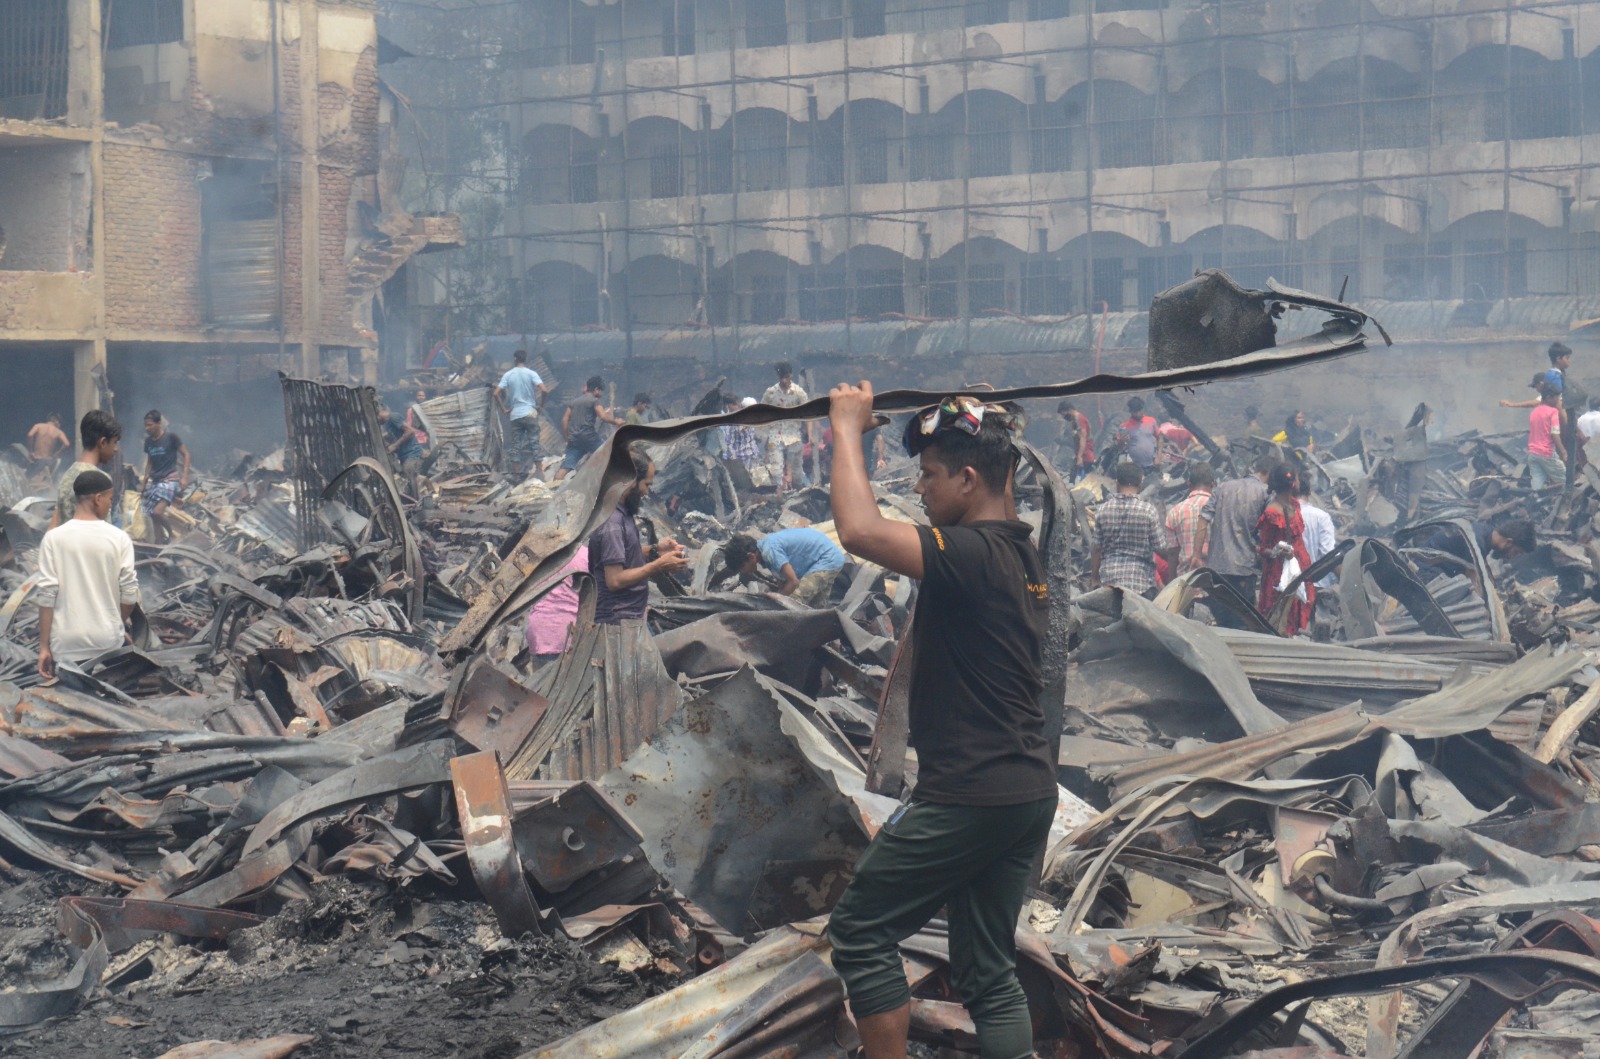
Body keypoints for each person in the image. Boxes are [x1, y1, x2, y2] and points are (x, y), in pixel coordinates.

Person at [824, 384, 1057, 1059]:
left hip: (972, 792)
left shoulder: (975, 553)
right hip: (1026, 792)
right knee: (989, 973)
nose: (921, 489)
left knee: (861, 928)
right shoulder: (1022, 558)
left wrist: (845, 429)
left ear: (968, 477)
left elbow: (859, 531)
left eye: (928, 476)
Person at [36, 469, 138, 680]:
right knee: (118, 704)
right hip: (107, 639)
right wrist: (114, 623)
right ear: (98, 499)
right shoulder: (118, 538)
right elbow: (129, 594)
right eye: (110, 498)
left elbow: (46, 596)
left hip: (66, 643)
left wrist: (44, 647)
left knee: (71, 704)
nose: (111, 504)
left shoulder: (53, 539)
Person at [587, 447, 689, 623]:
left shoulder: (623, 512)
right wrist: (658, 565)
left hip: (630, 616)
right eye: (646, 484)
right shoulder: (612, 523)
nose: (646, 492)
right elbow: (615, 580)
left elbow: (619, 554)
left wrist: (655, 550)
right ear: (631, 480)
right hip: (616, 622)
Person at [1198, 452, 1275, 617]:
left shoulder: (1224, 486)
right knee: (1241, 621)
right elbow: (1269, 530)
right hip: (1244, 568)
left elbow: (1203, 519)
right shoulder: (1266, 493)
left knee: (1220, 619)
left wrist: (1197, 554)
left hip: (1217, 567)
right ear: (1269, 474)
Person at [1090, 460, 1173, 596]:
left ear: (1117, 483)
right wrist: (1178, 560)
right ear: (1140, 483)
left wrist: (1094, 579)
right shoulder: (1148, 510)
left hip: (1110, 582)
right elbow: (1160, 548)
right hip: (1141, 583)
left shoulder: (1103, 510)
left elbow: (1096, 548)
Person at [1257, 463, 1314, 636]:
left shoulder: (1294, 505)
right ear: (1293, 484)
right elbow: (1264, 549)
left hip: (1299, 570)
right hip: (1280, 574)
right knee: (1279, 614)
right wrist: (1277, 552)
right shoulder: (1272, 512)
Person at [723, 528, 848, 606]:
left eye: (742, 568)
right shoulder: (763, 553)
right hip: (826, 558)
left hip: (826, 559)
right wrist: (779, 593)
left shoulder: (769, 551)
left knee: (795, 602)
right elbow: (782, 581)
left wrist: (777, 602)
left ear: (751, 557)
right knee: (815, 608)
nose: (744, 572)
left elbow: (793, 582)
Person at [52, 410, 122, 530]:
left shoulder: (67, 475)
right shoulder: (100, 480)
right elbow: (105, 531)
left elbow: (56, 521)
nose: (116, 449)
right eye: (114, 443)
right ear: (103, 442)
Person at [525, 544, 588, 666]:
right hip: (570, 634)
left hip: (540, 633)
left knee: (539, 684)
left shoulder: (541, 553)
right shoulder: (586, 555)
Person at [558, 376, 625, 481]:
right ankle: (615, 480)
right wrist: (616, 421)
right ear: (596, 389)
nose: (601, 394)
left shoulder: (574, 402)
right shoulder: (594, 401)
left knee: (567, 466)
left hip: (574, 439)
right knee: (609, 452)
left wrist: (567, 438)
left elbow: (564, 420)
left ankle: (551, 490)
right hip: (590, 437)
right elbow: (603, 416)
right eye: (601, 391)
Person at [139, 411, 191, 543]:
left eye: (150, 425)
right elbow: (150, 461)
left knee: (157, 512)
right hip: (156, 481)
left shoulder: (171, 438)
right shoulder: (149, 442)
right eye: (145, 425)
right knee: (151, 514)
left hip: (170, 480)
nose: (147, 428)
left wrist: (185, 476)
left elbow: (186, 454)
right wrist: (144, 483)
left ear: (158, 424)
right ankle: (159, 544)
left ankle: (172, 534)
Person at [496, 349, 548, 476]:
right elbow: (544, 390)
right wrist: (540, 406)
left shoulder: (508, 375)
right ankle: (539, 471)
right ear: (526, 359)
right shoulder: (531, 373)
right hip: (531, 412)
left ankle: (517, 474)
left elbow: (495, 393)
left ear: (514, 358)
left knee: (515, 445)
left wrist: (504, 409)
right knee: (534, 442)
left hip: (515, 415)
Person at [761, 361, 810, 492]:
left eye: (786, 377)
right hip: (775, 435)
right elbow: (762, 414)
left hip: (794, 435)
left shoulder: (799, 393)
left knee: (797, 471)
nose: (784, 380)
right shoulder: (770, 393)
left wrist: (809, 433)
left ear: (791, 375)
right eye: (781, 377)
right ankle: (780, 496)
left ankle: (800, 494)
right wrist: (764, 437)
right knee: (776, 470)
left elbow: (808, 415)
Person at [1164, 462, 1215, 575]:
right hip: (1215, 581)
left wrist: (1172, 585)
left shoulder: (1175, 512)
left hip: (1186, 579)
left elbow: (1173, 554)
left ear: (1189, 484)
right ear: (1213, 484)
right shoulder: (1220, 508)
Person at [1526, 379, 1567, 490]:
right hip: (1547, 453)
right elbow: (1554, 433)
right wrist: (1563, 452)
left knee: (1537, 484)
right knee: (1566, 481)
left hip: (1532, 454)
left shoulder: (1534, 411)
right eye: (1557, 398)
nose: (1558, 401)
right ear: (1549, 397)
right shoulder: (1552, 412)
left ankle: (1534, 504)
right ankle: (1568, 505)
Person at [1297, 481, 1338, 590]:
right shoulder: (1321, 516)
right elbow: (1328, 553)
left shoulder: (1282, 516)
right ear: (1309, 492)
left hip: (1290, 587)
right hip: (1318, 585)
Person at [379, 404, 425, 495]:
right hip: (405, 456)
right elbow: (394, 435)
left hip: (413, 453)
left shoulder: (393, 417)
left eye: (377, 416)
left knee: (410, 476)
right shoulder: (387, 424)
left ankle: (418, 504)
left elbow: (410, 431)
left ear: (382, 412)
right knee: (405, 480)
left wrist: (395, 446)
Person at [720, 394, 763, 473]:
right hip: (742, 461)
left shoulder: (752, 421)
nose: (737, 407)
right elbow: (729, 443)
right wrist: (734, 461)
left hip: (753, 457)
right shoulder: (732, 423)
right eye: (734, 404)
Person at [1118, 397, 1159, 472]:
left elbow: (1160, 438)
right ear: (1131, 412)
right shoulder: (1124, 426)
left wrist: (1158, 457)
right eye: (1135, 412)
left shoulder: (1151, 421)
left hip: (1152, 464)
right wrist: (1122, 441)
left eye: (1139, 411)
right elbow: (1121, 446)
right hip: (1134, 466)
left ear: (1143, 409)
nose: (1137, 414)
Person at [1054, 401, 1092, 479]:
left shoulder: (1080, 419)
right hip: (1080, 455)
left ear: (1069, 410)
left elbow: (1083, 438)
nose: (1063, 416)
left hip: (1085, 456)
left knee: (1081, 479)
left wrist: (1079, 457)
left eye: (1063, 414)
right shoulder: (1074, 421)